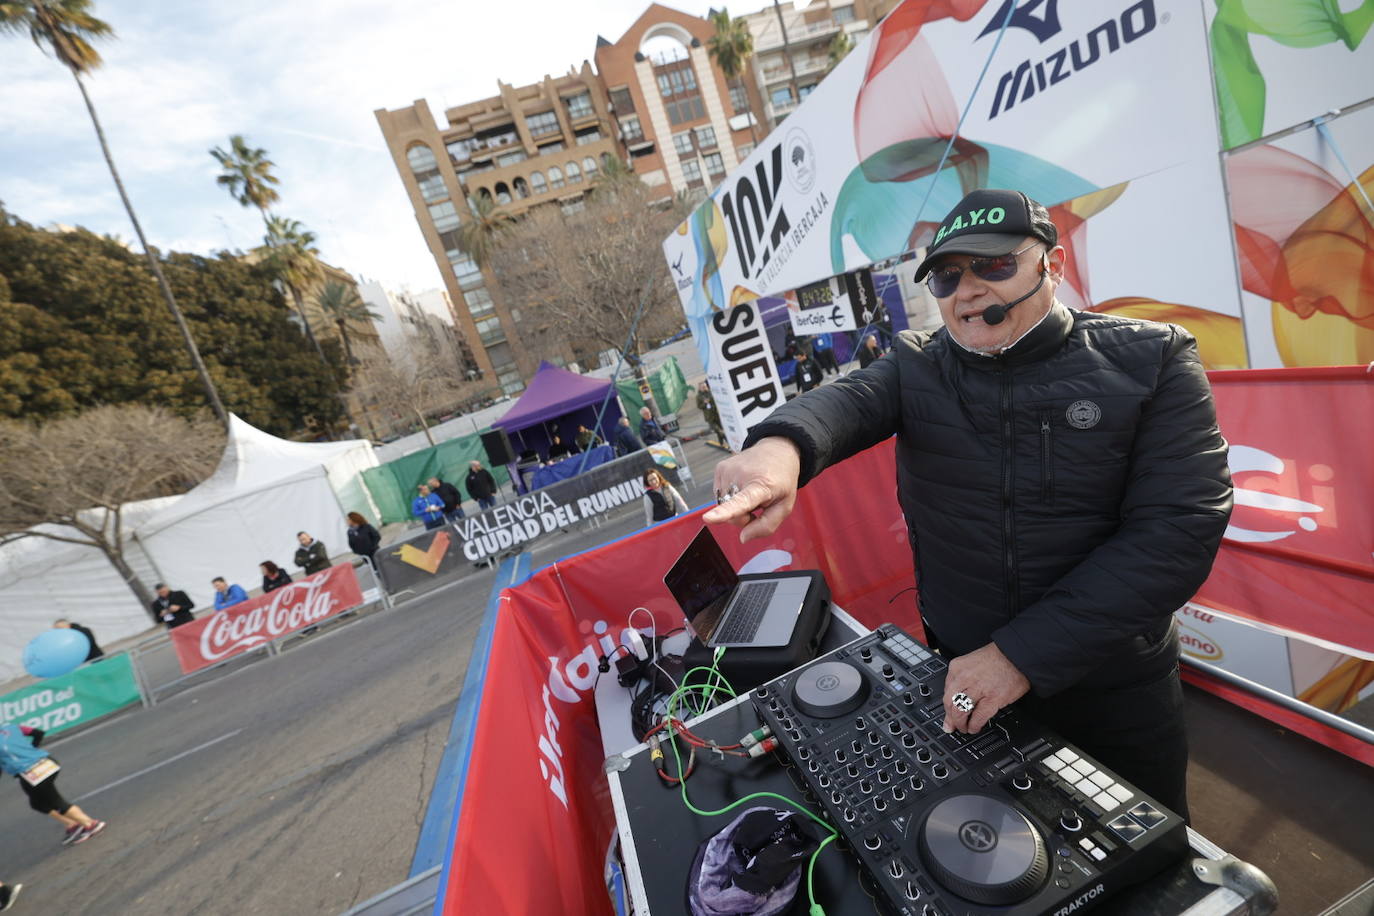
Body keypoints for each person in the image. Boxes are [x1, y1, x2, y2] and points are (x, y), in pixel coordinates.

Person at [703, 188, 1232, 819]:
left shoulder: (1156, 359)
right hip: (966, 682)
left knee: (1147, 865)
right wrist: (778, 450)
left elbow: (1177, 535)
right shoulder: (916, 363)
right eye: (949, 276)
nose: (970, 289)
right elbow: (839, 406)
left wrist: (1019, 656)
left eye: (995, 265)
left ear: (1052, 267)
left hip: (1113, 693)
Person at [0, 721, 105, 846]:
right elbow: (38, 733)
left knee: (54, 801)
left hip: (31, 771)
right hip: (47, 761)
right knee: (37, 803)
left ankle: (90, 824)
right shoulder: (10, 726)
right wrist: (33, 750)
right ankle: (72, 824)